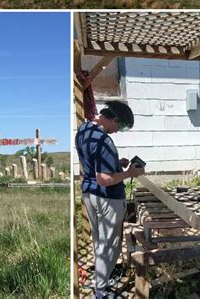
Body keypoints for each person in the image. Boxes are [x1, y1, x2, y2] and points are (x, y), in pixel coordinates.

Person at [75, 100, 145, 298]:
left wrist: (116, 162)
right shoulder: (104, 140)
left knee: (99, 241)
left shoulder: (84, 129)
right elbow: (104, 179)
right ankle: (101, 291)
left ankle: (100, 280)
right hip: (108, 198)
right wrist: (130, 172)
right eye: (120, 127)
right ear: (113, 119)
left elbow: (94, 162)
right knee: (110, 244)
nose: (118, 131)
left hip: (90, 194)